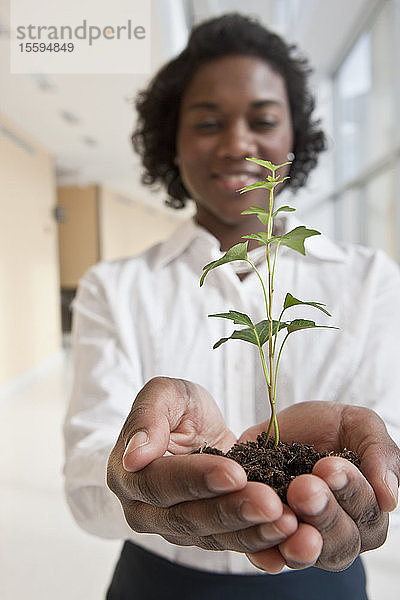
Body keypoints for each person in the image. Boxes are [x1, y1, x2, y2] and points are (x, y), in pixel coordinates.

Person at [63, 13, 400, 600]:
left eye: (263, 120)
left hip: (324, 579)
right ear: (173, 139)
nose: (239, 142)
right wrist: (130, 470)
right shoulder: (113, 287)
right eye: (209, 122)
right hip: (159, 580)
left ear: (294, 135)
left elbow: (389, 443)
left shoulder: (370, 280)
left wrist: (372, 481)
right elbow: (86, 485)